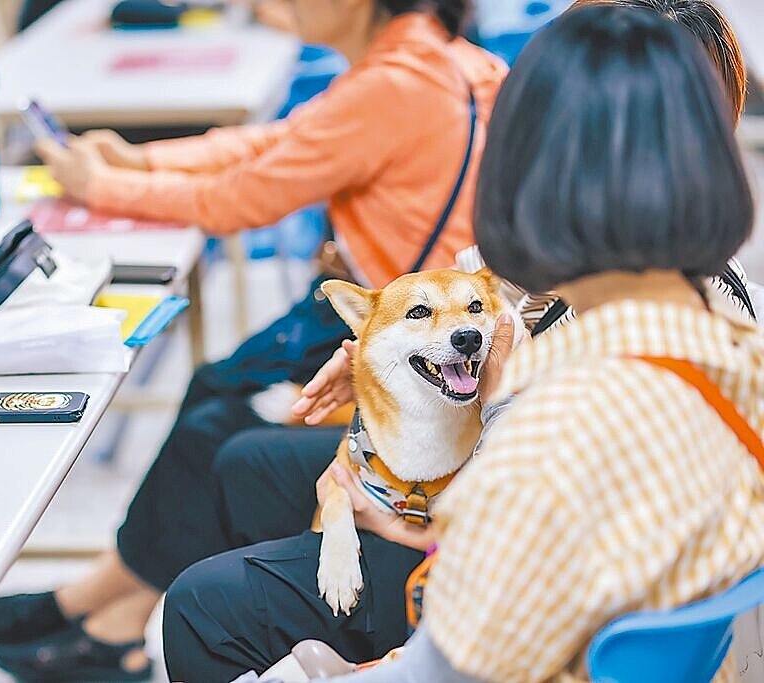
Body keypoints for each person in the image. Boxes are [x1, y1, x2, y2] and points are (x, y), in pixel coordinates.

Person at [161, 3, 764, 681]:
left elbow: (444, 658)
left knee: (203, 608)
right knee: (251, 470)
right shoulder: (726, 332)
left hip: (505, 627)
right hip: (603, 626)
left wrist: (399, 538)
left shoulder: (556, 427)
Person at [0, 1, 507, 680]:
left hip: (393, 328)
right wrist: (141, 160)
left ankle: (109, 613)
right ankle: (107, 600)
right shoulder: (438, 60)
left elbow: (243, 196)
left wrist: (103, 183)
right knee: (215, 392)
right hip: (397, 312)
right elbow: (276, 143)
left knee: (216, 409)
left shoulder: (398, 82)